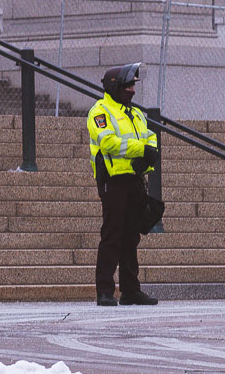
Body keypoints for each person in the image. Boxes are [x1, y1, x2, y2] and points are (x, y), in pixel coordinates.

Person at [87, 63, 159, 306]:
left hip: (134, 180)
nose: (132, 90)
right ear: (114, 86)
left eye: (134, 86)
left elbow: (150, 137)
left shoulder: (136, 114)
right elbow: (108, 142)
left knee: (131, 237)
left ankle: (131, 290)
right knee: (112, 234)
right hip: (113, 180)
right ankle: (105, 291)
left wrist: (148, 159)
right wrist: (143, 151)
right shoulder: (100, 111)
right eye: (128, 86)